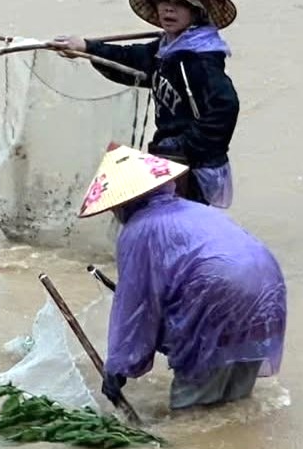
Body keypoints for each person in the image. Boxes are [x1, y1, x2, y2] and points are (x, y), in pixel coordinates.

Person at [77, 144, 286, 412]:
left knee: (191, 414)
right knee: (232, 407)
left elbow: (137, 305)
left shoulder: (139, 231)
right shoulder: (195, 210)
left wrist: (119, 367)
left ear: (124, 202)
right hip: (266, 289)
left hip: (216, 296)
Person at [51, 0, 241, 208]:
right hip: (168, 156)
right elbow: (130, 59)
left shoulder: (199, 60)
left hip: (194, 165)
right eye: (163, 0)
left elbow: (226, 107)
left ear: (196, 12)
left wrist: (186, 145)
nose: (168, 8)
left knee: (169, 222)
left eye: (179, 3)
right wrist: (86, 48)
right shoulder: (165, 48)